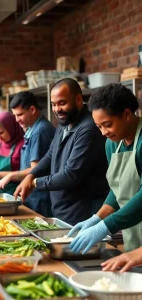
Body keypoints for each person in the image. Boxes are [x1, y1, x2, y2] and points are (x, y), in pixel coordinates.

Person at [15, 78, 109, 225]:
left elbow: (71, 175)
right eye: (53, 104)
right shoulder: (64, 122)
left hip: (82, 213)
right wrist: (31, 174)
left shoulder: (88, 128)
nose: (57, 109)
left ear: (78, 99)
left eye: (62, 103)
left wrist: (35, 182)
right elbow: (51, 154)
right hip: (63, 210)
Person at [69, 83, 142, 254]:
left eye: (107, 124)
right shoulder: (112, 144)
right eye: (99, 126)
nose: (103, 132)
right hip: (133, 233)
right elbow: (119, 189)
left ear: (126, 114)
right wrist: (97, 217)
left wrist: (106, 226)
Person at [0, 92, 55, 216]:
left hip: (40, 197)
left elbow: (36, 169)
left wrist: (11, 175)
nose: (17, 120)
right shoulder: (32, 129)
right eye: (15, 115)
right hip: (31, 195)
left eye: (20, 114)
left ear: (32, 109)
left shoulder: (40, 131)